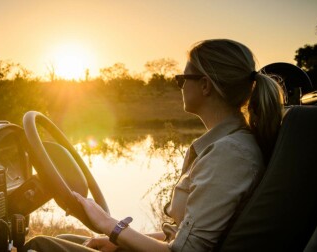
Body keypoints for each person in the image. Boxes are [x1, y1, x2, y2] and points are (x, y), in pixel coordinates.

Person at [22, 39, 285, 251]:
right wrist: (118, 238)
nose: (179, 86)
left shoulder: (229, 155)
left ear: (205, 85)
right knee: (70, 239)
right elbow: (187, 234)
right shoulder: (227, 147)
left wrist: (108, 225)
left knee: (39, 245)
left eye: (182, 79)